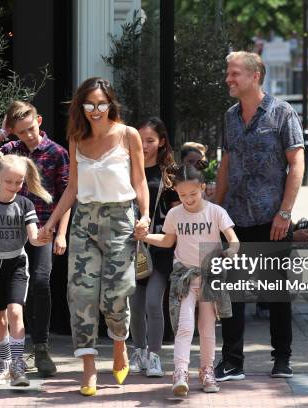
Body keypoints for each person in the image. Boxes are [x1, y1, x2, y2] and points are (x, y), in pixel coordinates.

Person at [38, 77, 149, 396]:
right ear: (80, 107)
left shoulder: (128, 135)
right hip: (85, 220)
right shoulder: (76, 137)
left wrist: (145, 215)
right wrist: (52, 222)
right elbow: (72, 187)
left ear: (110, 104)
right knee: (82, 295)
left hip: (120, 219)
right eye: (89, 104)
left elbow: (140, 181)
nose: (96, 110)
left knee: (116, 293)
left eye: (102, 104)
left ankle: (119, 343)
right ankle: (88, 369)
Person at [214, 51, 305, 380]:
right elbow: (225, 164)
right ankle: (232, 362)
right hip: (236, 218)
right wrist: (216, 209)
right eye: (228, 73)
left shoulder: (282, 113)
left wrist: (285, 212)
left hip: (272, 220)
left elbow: (296, 164)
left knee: (275, 293)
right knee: (233, 293)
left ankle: (282, 359)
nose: (228, 79)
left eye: (235, 73)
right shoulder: (229, 116)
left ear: (255, 76)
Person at [0, 101, 70, 378]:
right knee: (6, 295)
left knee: (41, 282)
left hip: (41, 230)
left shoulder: (57, 153)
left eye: (30, 128)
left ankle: (40, 347)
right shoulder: (10, 150)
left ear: (39, 120)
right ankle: (12, 356)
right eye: (21, 132)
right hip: (9, 232)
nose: (27, 135)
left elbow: (67, 195)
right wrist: (2, 134)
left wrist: (61, 232)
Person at [136, 161, 239, 397]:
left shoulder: (215, 212)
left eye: (193, 193)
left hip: (209, 277)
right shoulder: (174, 213)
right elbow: (168, 240)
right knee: (184, 326)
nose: (188, 199)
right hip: (184, 277)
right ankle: (180, 372)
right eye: (182, 195)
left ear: (202, 187)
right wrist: (145, 237)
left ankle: (206, 371)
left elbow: (233, 239)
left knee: (206, 328)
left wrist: (230, 251)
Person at [0, 152, 52, 387]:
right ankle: (3, 365)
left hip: (16, 264)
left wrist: (43, 237)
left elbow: (33, 238)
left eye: (20, 182)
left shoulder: (25, 204)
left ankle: (17, 366)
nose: (15, 186)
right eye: (9, 181)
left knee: (15, 312)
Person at [129, 117, 180, 378]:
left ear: (161, 142)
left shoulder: (170, 174)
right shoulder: (127, 168)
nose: (145, 145)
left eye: (150, 140)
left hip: (161, 247)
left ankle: (155, 356)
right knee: (135, 306)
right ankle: (138, 351)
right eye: (141, 140)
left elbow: (178, 212)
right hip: (131, 247)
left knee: (152, 303)